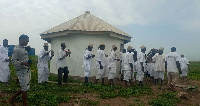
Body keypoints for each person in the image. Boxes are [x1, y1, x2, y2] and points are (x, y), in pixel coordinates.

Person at [7, 34, 31, 106]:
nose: (27, 42)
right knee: (24, 89)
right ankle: (25, 104)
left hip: (26, 70)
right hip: (22, 71)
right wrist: (23, 63)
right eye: (26, 41)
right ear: (22, 40)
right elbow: (13, 61)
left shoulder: (23, 48)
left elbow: (23, 58)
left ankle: (11, 99)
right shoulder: (17, 49)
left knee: (25, 87)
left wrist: (27, 63)